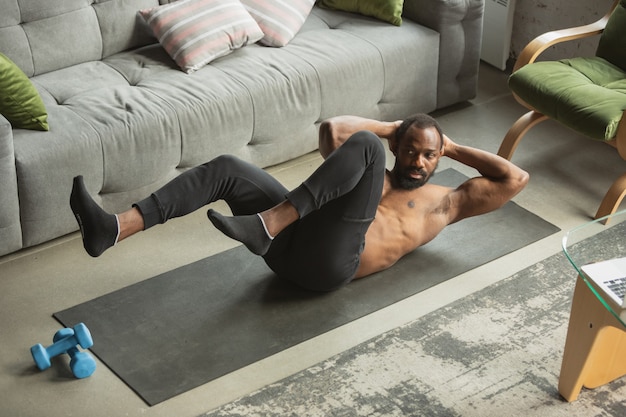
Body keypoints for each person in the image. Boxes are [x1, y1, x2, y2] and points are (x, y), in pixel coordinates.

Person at [70, 114, 529, 291]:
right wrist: (395, 127)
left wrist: (448, 146)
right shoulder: (369, 172)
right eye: (410, 149)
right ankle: (115, 227)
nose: (418, 161)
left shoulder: (444, 202)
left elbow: (514, 178)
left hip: (330, 267)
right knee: (229, 166)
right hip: (291, 243)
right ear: (399, 147)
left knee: (364, 144)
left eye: (428, 155)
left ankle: (269, 223)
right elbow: (333, 130)